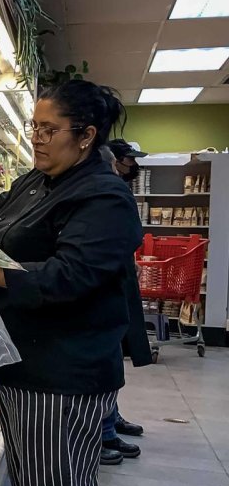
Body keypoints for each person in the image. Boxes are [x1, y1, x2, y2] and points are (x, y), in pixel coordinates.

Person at [0, 80, 143, 486]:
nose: (37, 138)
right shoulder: (38, 180)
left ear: (85, 136)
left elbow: (69, 276)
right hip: (24, 367)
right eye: (33, 127)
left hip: (61, 377)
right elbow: (0, 208)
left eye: (48, 129)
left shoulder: (104, 197)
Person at [95, 141, 151, 464]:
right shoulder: (105, 188)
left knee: (113, 357)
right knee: (105, 360)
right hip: (103, 287)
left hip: (117, 280)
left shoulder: (115, 187)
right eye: (129, 160)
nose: (132, 166)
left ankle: (110, 420)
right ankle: (102, 432)